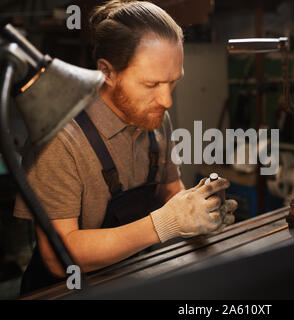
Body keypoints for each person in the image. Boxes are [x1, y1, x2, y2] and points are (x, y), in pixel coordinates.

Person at [13, 0, 237, 294]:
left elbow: (169, 189)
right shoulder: (61, 138)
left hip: (129, 279)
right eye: (151, 85)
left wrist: (198, 212)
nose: (166, 101)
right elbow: (58, 258)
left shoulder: (157, 118)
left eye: (173, 82)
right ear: (108, 71)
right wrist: (164, 224)